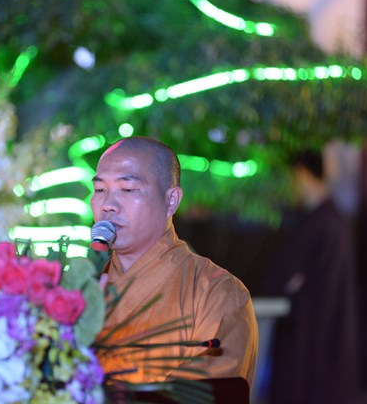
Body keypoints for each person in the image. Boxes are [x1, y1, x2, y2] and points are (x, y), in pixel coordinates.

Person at [90, 136, 258, 385]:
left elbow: (204, 394)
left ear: (171, 201)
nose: (108, 205)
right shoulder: (77, 288)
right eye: (100, 190)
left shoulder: (216, 292)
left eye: (127, 189)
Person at [263, 149, 359, 404]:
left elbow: (290, 279)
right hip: (321, 346)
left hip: (308, 344)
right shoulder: (332, 221)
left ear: (302, 174)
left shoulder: (321, 224)